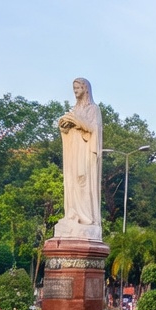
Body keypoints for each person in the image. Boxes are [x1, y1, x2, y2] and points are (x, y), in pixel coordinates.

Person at [56, 77, 103, 237]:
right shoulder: (74, 109)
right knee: (71, 182)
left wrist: (77, 121)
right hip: (73, 151)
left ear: (85, 88)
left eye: (78, 88)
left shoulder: (93, 109)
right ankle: (73, 213)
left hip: (85, 152)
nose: (75, 91)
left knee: (82, 180)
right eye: (73, 88)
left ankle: (86, 217)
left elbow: (93, 130)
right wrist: (64, 126)